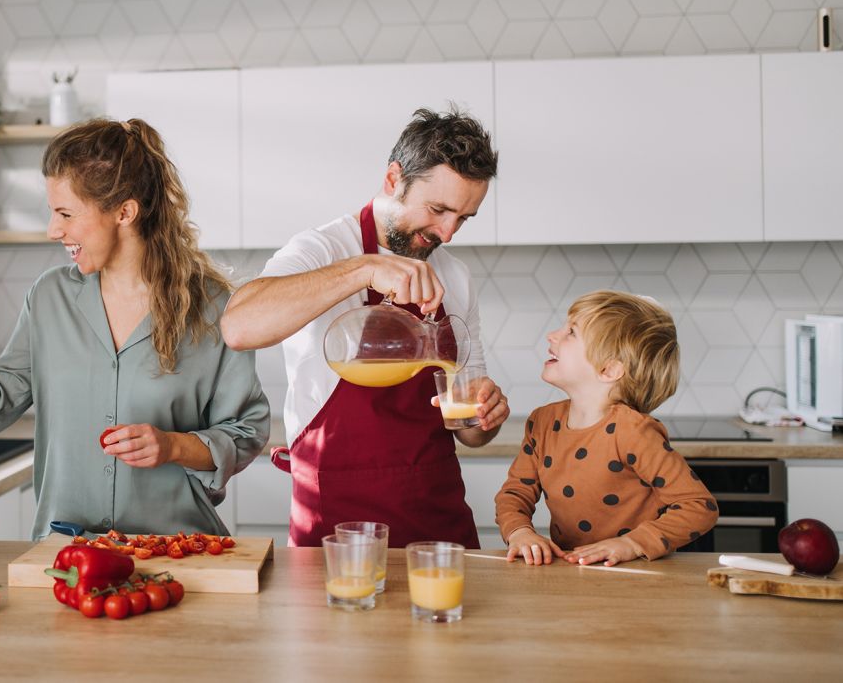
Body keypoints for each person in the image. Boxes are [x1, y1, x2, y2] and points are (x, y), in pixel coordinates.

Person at [0, 118, 270, 539]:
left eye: (65, 213)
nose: (52, 230)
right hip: (68, 553)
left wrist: (173, 446)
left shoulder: (211, 308)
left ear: (124, 212)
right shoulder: (49, 298)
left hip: (177, 548)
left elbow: (246, 431)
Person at [220, 106, 508, 549]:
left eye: (463, 218)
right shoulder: (322, 249)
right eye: (438, 209)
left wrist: (484, 416)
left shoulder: (455, 276)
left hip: (438, 528)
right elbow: (239, 326)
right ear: (394, 179)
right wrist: (364, 269)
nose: (448, 233)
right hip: (336, 530)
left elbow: (469, 430)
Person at [496, 291, 718, 566]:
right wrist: (519, 532)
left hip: (635, 573)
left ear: (608, 370)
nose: (552, 335)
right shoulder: (541, 423)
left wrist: (631, 544)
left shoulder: (633, 432)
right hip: (572, 573)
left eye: (571, 332)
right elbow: (514, 494)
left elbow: (699, 506)